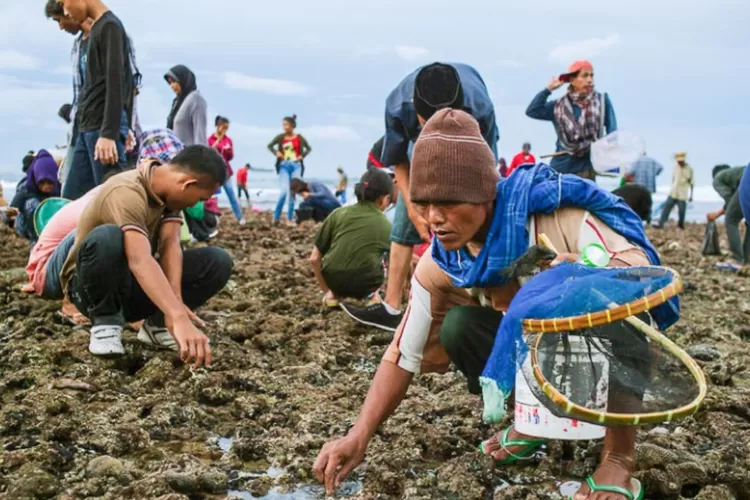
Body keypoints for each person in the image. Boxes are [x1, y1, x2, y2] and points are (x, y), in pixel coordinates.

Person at [314, 109, 670, 500]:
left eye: (449, 202)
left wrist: (581, 273)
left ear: (485, 194)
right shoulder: (442, 260)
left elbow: (643, 278)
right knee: (459, 327)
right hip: (534, 350)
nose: (434, 218)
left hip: (596, 354)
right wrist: (358, 435)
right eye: (425, 203)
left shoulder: (558, 217)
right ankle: (529, 421)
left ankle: (618, 459)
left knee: (615, 300)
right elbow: (402, 353)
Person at [341, 62, 498, 332]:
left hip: (469, 149)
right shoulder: (397, 106)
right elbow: (397, 158)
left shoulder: (480, 107)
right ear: (416, 109)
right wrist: (414, 208)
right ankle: (392, 307)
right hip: (416, 149)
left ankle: (481, 297)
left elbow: (487, 169)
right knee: (407, 212)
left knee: (471, 215)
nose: (440, 132)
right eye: (431, 124)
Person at [60, 145, 232, 364]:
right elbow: (139, 259)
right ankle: (105, 323)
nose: (195, 204)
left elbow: (171, 245)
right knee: (109, 237)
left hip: (132, 288)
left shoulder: (168, 195)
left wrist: (175, 307)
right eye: (199, 198)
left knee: (217, 261)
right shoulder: (127, 191)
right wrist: (178, 316)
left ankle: (157, 327)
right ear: (187, 184)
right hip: (90, 289)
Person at [59, 0, 135, 201]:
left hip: (102, 130)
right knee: (71, 201)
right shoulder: (97, 29)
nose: (65, 11)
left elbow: (118, 82)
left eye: (63, 3)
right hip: (87, 127)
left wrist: (110, 133)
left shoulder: (110, 27)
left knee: (111, 201)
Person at [310, 169, 393, 308]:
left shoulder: (337, 214)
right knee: (384, 258)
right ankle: (373, 296)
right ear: (384, 199)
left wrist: (328, 290)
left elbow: (314, 259)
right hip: (365, 285)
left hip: (334, 282)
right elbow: (397, 259)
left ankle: (333, 296)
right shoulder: (386, 224)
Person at [526, 60, 617, 180]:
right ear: (572, 80)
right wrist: (548, 89)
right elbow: (533, 111)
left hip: (586, 168)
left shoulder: (602, 101)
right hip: (561, 168)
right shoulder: (558, 106)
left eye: (591, 75)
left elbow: (613, 134)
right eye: (585, 75)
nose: (589, 80)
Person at [267, 115, 312, 224]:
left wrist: (302, 156)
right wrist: (276, 153)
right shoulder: (280, 137)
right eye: (283, 125)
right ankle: (276, 218)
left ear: (292, 126)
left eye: (286, 125)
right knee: (283, 192)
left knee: (293, 192)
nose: (284, 127)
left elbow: (309, 148)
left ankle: (289, 219)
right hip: (284, 166)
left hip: (296, 165)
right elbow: (270, 146)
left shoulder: (299, 138)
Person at [11, 150, 61, 243]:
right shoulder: (25, 189)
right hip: (27, 230)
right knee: (32, 203)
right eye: (42, 182)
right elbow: (12, 209)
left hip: (49, 226)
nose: (46, 186)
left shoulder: (59, 188)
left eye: (50, 182)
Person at [707, 165, 748, 269]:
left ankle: (737, 259)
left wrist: (717, 214)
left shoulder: (718, 179)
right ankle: (746, 260)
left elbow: (730, 199)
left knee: (731, 220)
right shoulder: (735, 173)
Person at [209, 115, 245, 224]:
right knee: (212, 196)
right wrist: (218, 141)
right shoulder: (211, 139)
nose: (225, 130)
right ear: (218, 126)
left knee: (232, 196)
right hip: (214, 172)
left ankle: (240, 217)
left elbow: (231, 156)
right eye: (224, 127)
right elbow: (210, 152)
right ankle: (212, 218)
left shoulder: (228, 140)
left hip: (226, 172)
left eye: (227, 128)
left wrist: (228, 151)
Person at [165, 65, 207, 147]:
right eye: (169, 83)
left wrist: (200, 157)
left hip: (189, 156)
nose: (172, 86)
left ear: (183, 80)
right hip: (175, 156)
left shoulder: (196, 99)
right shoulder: (177, 102)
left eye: (174, 81)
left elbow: (200, 135)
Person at [655, 152, 694, 230]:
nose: (679, 162)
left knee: (682, 211)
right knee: (666, 208)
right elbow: (673, 180)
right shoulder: (675, 167)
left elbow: (692, 183)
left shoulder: (689, 169)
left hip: (683, 193)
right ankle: (661, 223)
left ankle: (681, 225)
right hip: (673, 192)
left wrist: (691, 195)